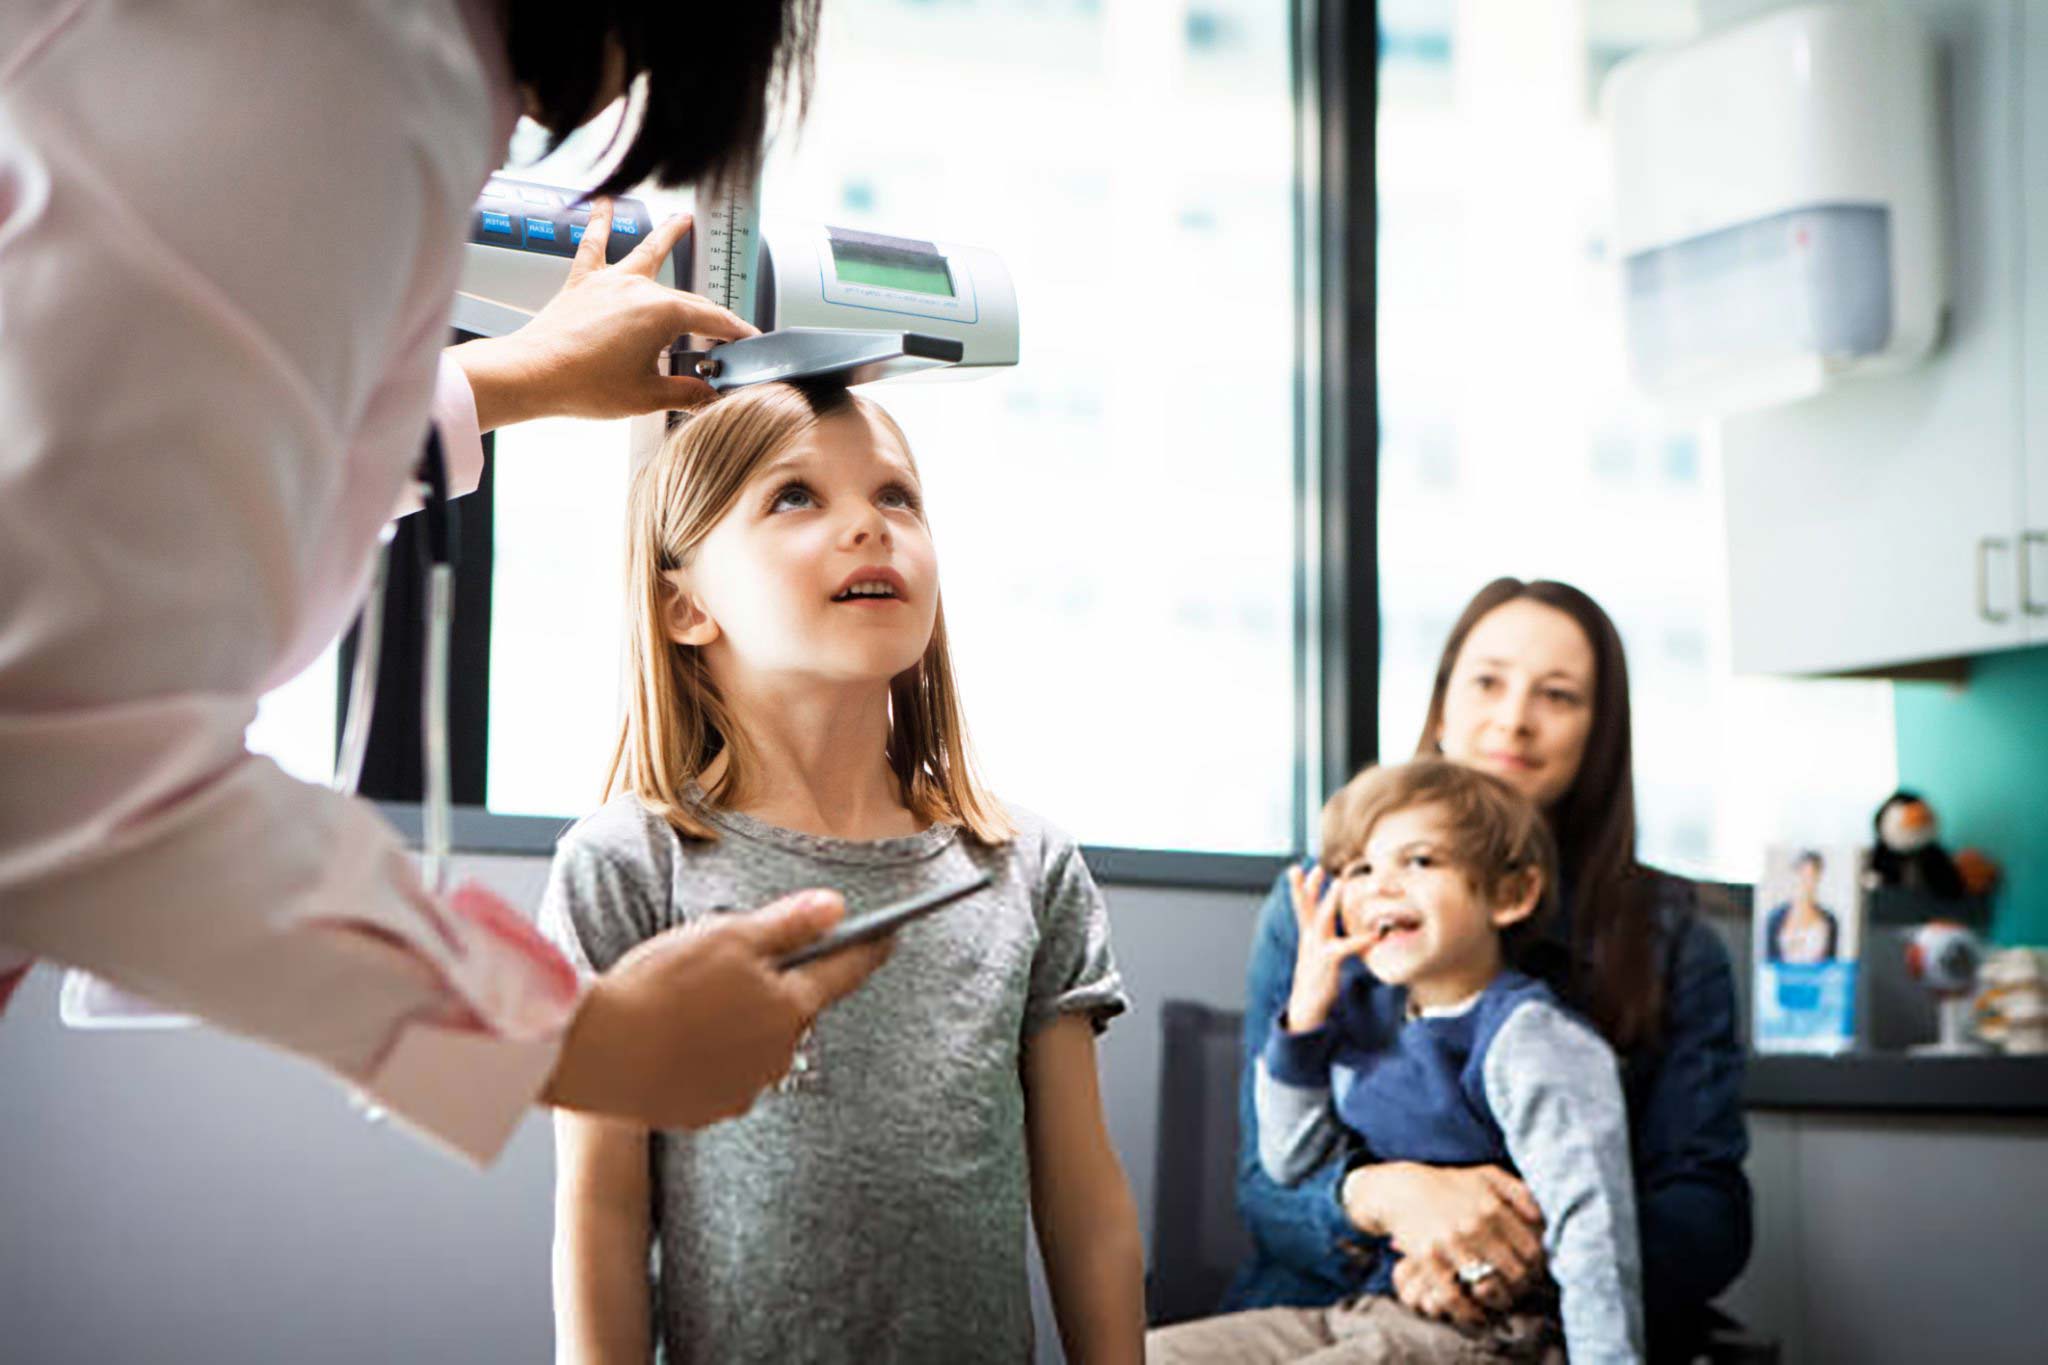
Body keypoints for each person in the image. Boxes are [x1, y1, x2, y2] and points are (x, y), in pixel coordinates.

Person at [0, 0, 889, 1166]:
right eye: (792, 500)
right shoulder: (339, 54)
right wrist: (579, 1043)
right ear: (683, 600)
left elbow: (143, 439)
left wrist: (503, 384)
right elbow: (62, 742)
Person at [539, 381, 1145, 1363]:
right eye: (794, 497)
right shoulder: (626, 866)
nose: (869, 525)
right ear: (685, 604)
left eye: (896, 497)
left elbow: (1085, 1205)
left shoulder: (1024, 868)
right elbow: (602, 1220)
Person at [1195, 579, 1750, 1361]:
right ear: (1442, 701)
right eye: (1487, 681)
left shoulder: (1670, 939)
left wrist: (1503, 1261)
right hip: (1318, 1301)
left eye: (1557, 695)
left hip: (1531, 1327)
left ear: (1600, 731)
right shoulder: (1323, 905)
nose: (1513, 717)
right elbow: (1266, 1185)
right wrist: (1391, 1199)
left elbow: (1708, 1215)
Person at [1155, 759, 1641, 1364]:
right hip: (1363, 1309)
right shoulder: (1364, 1015)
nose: (1380, 884)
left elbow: (1592, 1230)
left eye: (1418, 861)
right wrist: (1304, 1019)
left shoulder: (1531, 1039)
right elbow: (1288, 1158)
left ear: (1510, 894)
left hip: (1493, 1334)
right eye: (1359, 868)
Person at [1764, 851, 1838, 964]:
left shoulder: (1829, 920)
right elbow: (1770, 962)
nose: (1805, 882)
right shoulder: (1775, 918)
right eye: (1801, 874)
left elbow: (1830, 965)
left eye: (1811, 876)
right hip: (1785, 979)